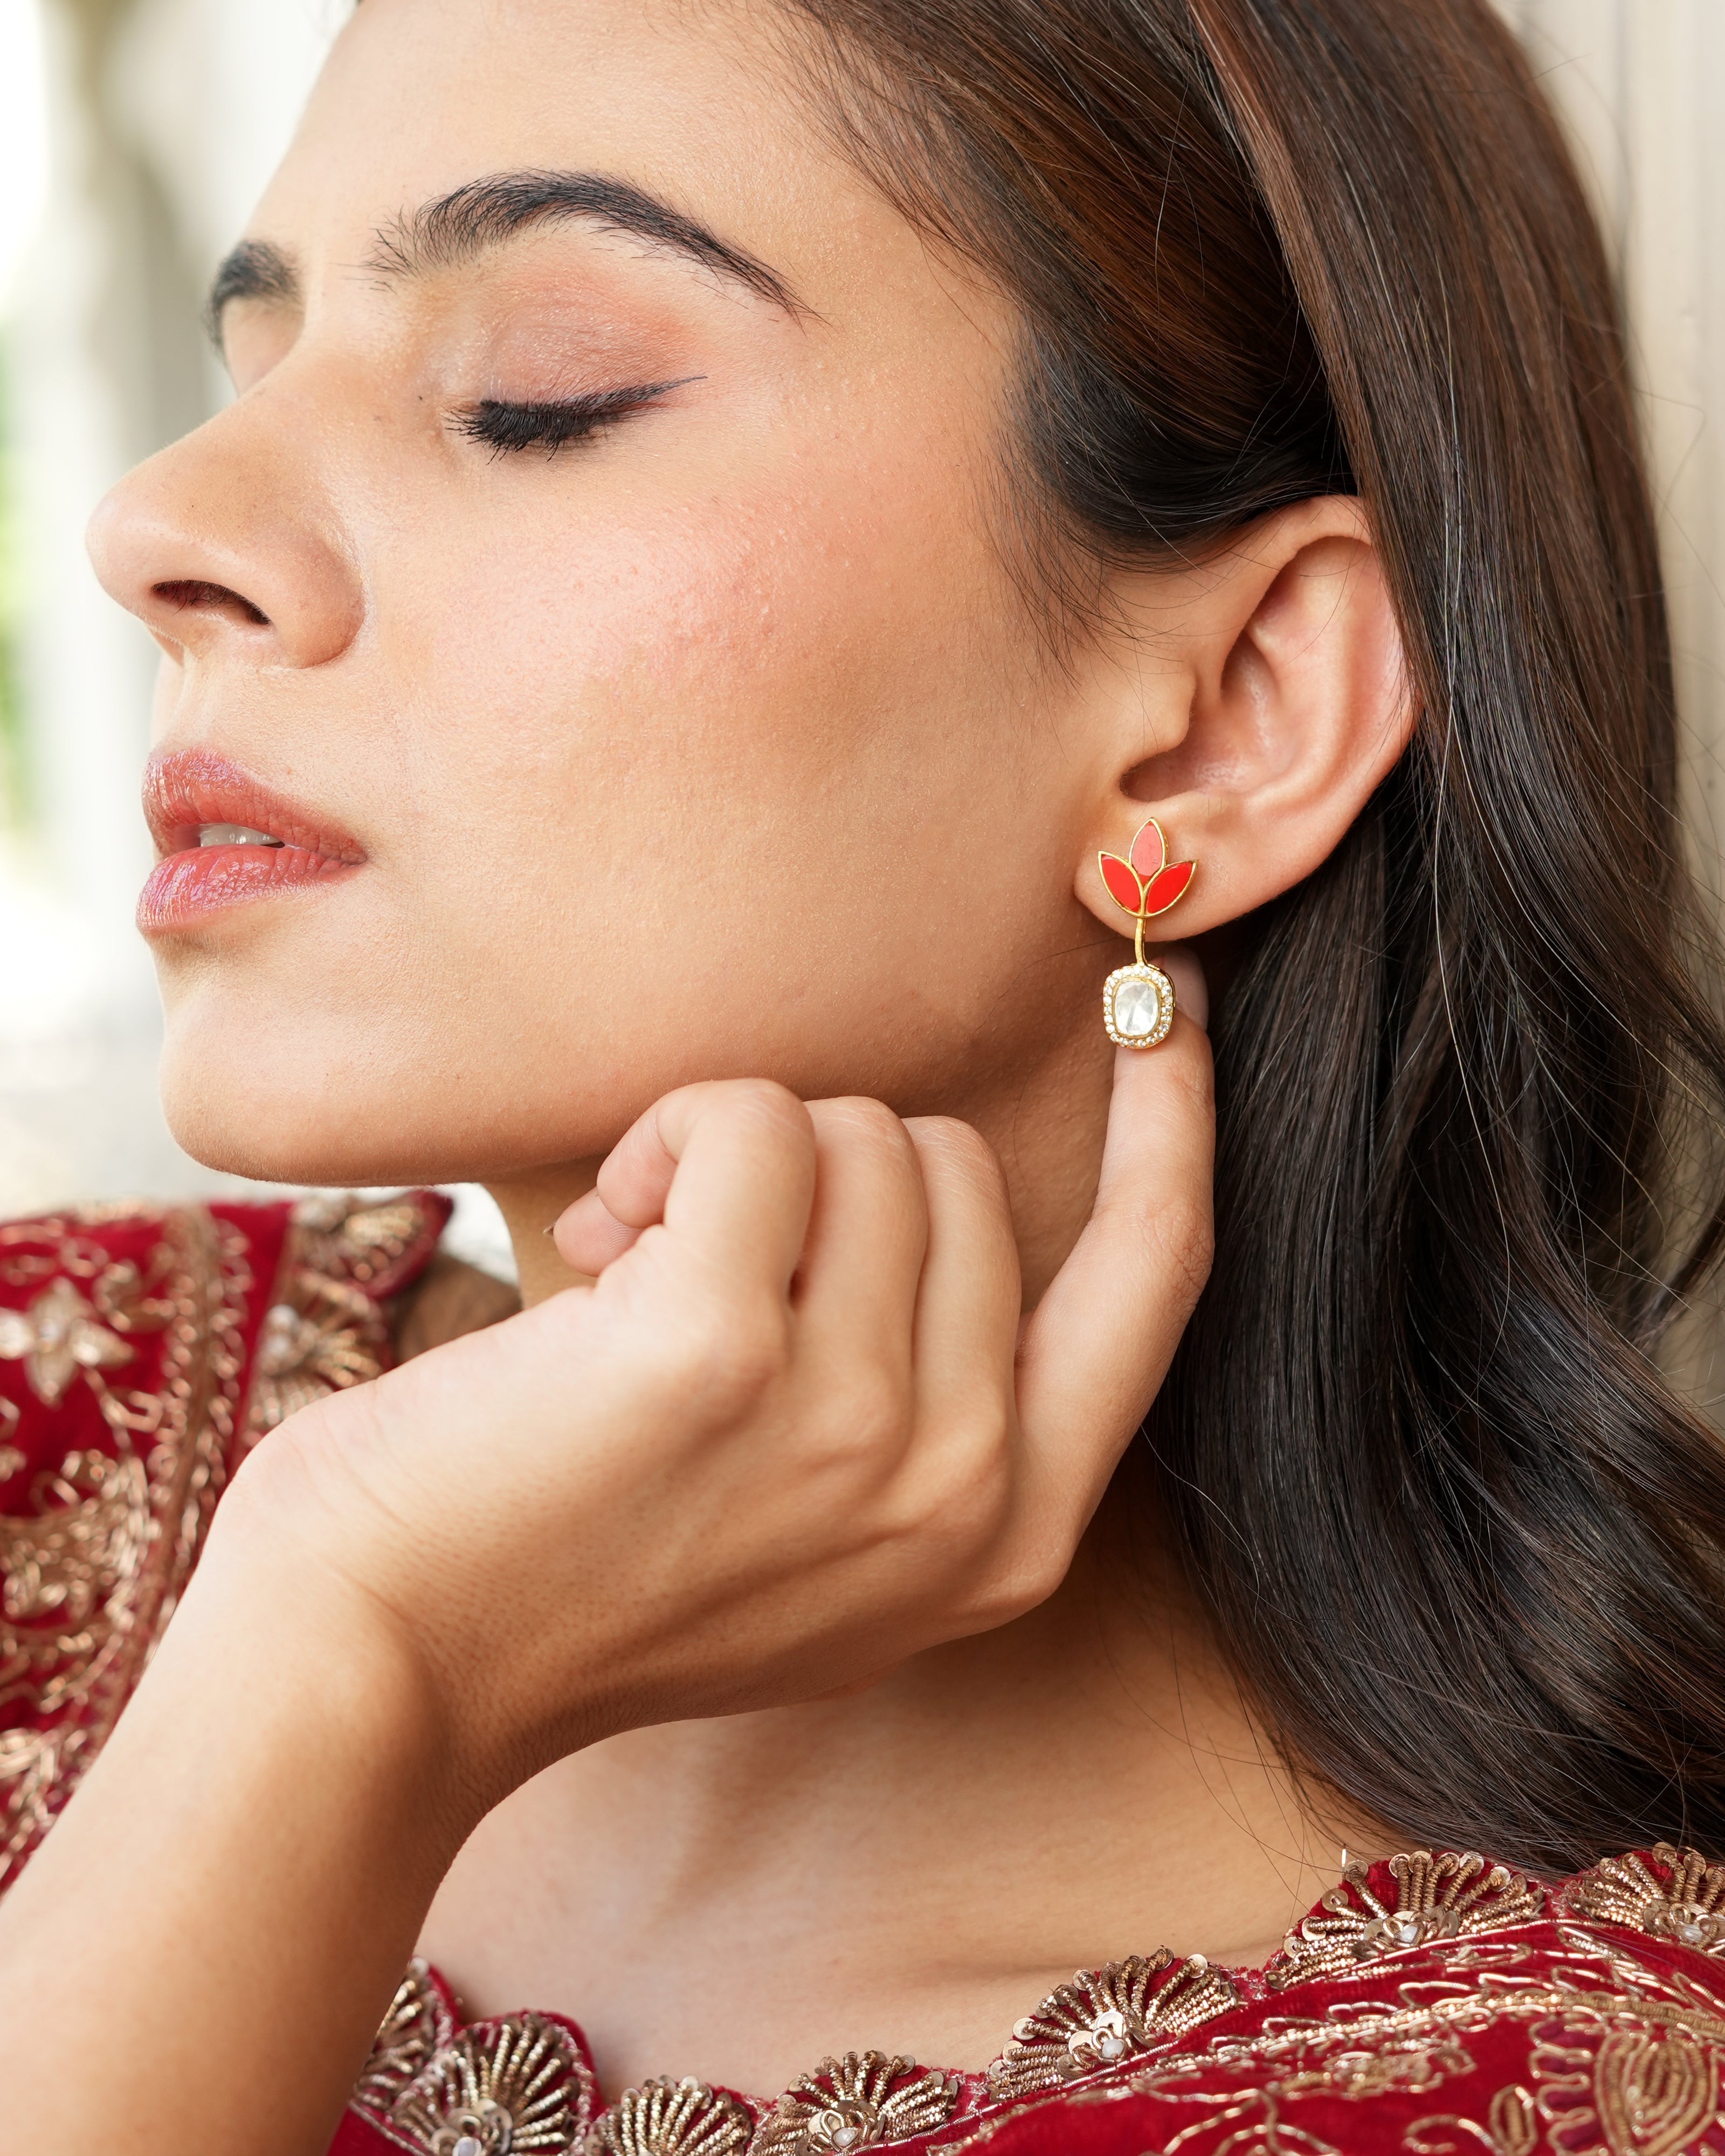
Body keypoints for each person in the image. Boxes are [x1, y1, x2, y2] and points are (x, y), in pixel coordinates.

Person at [2, 0, 1724, 2148]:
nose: (154, 521)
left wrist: (365, 1664)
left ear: (1227, 717)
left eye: (537, 394)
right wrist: (323, 1645)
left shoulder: (1545, 2098)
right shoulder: (48, 1426)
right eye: (249, 368)